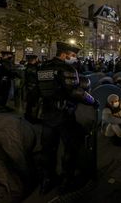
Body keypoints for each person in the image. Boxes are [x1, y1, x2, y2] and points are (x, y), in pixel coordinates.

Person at [37, 41, 99, 194]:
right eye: (73, 56)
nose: (74, 59)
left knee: (47, 150)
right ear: (64, 54)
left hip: (46, 114)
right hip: (64, 115)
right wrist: (93, 101)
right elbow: (76, 92)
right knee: (70, 148)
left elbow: (34, 91)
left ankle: (47, 181)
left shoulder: (42, 68)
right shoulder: (66, 68)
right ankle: (66, 181)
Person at [24, 55, 40, 123]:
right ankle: (32, 118)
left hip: (29, 87)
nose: (37, 60)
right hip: (34, 88)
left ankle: (27, 115)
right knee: (33, 103)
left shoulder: (28, 66)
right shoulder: (34, 68)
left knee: (29, 103)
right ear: (34, 59)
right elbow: (38, 77)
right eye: (37, 59)